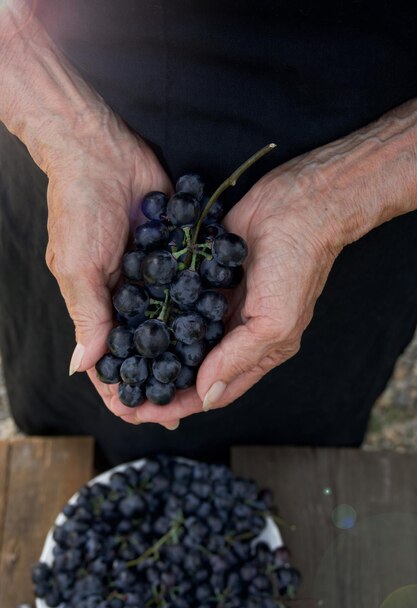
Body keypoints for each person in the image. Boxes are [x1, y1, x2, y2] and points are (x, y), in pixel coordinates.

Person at [0, 0, 417, 471]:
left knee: (294, 441)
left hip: (360, 162)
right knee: (68, 425)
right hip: (70, 108)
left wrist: (344, 188)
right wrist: (65, 127)